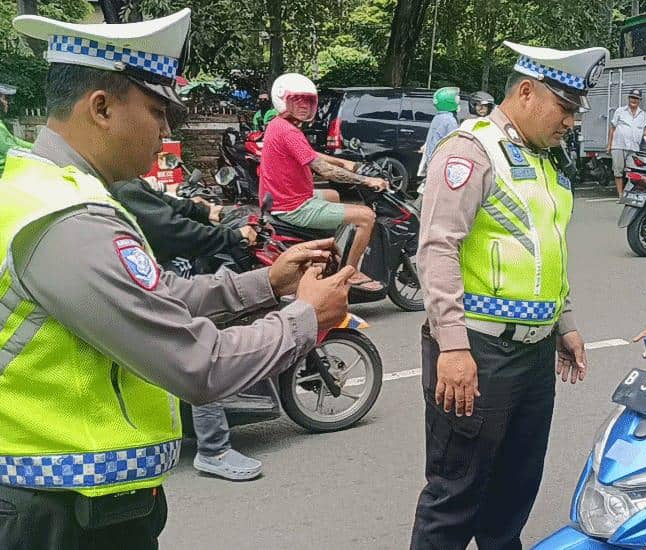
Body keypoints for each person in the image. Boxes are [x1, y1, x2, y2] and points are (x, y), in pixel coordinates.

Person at [0, 10, 355, 548]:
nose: (168, 129)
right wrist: (304, 318)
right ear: (101, 108)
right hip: (64, 516)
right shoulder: (69, 222)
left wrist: (268, 284)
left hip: (79, 504)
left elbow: (157, 294)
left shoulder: (52, 189)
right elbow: (199, 365)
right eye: (157, 110)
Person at [411, 40, 605, 549]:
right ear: (526, 92)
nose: (570, 121)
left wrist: (565, 325)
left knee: (513, 496)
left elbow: (547, 250)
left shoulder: (545, 161)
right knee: (455, 498)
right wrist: (452, 345)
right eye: (564, 108)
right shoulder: (469, 151)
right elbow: (437, 250)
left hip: (535, 355)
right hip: (478, 351)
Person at [108, 177, 265, 481]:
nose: (160, 135)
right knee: (197, 348)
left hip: (156, 272)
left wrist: (207, 212)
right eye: (156, 127)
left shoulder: (125, 181)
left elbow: (165, 205)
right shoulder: (121, 187)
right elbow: (173, 229)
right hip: (154, 279)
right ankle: (214, 450)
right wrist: (233, 237)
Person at [258, 72, 389, 292]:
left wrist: (346, 163)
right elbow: (323, 169)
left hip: (280, 199)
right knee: (366, 217)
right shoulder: (288, 131)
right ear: (283, 100)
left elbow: (311, 155)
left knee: (333, 196)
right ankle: (350, 271)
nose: (304, 106)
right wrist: (365, 180)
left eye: (308, 101)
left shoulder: (279, 125)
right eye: (297, 100)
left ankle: (327, 252)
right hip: (293, 206)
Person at [607, 89, 646, 197]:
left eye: (636, 98)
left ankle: (629, 193)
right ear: (628, 98)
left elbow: (644, 130)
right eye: (632, 97)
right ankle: (620, 194)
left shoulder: (642, 114)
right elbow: (612, 128)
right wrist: (609, 145)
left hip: (633, 148)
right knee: (618, 171)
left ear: (639, 100)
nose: (634, 100)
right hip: (618, 145)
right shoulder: (620, 111)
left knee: (633, 172)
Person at [0, 82, 32, 176]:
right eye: (4, 98)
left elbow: (13, 140)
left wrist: (37, 147)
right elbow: (12, 150)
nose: (6, 103)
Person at [423, 86, 461, 162]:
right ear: (449, 102)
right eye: (456, 100)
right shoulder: (450, 120)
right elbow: (454, 143)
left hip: (432, 158)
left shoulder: (438, 117)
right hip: (441, 160)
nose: (458, 102)